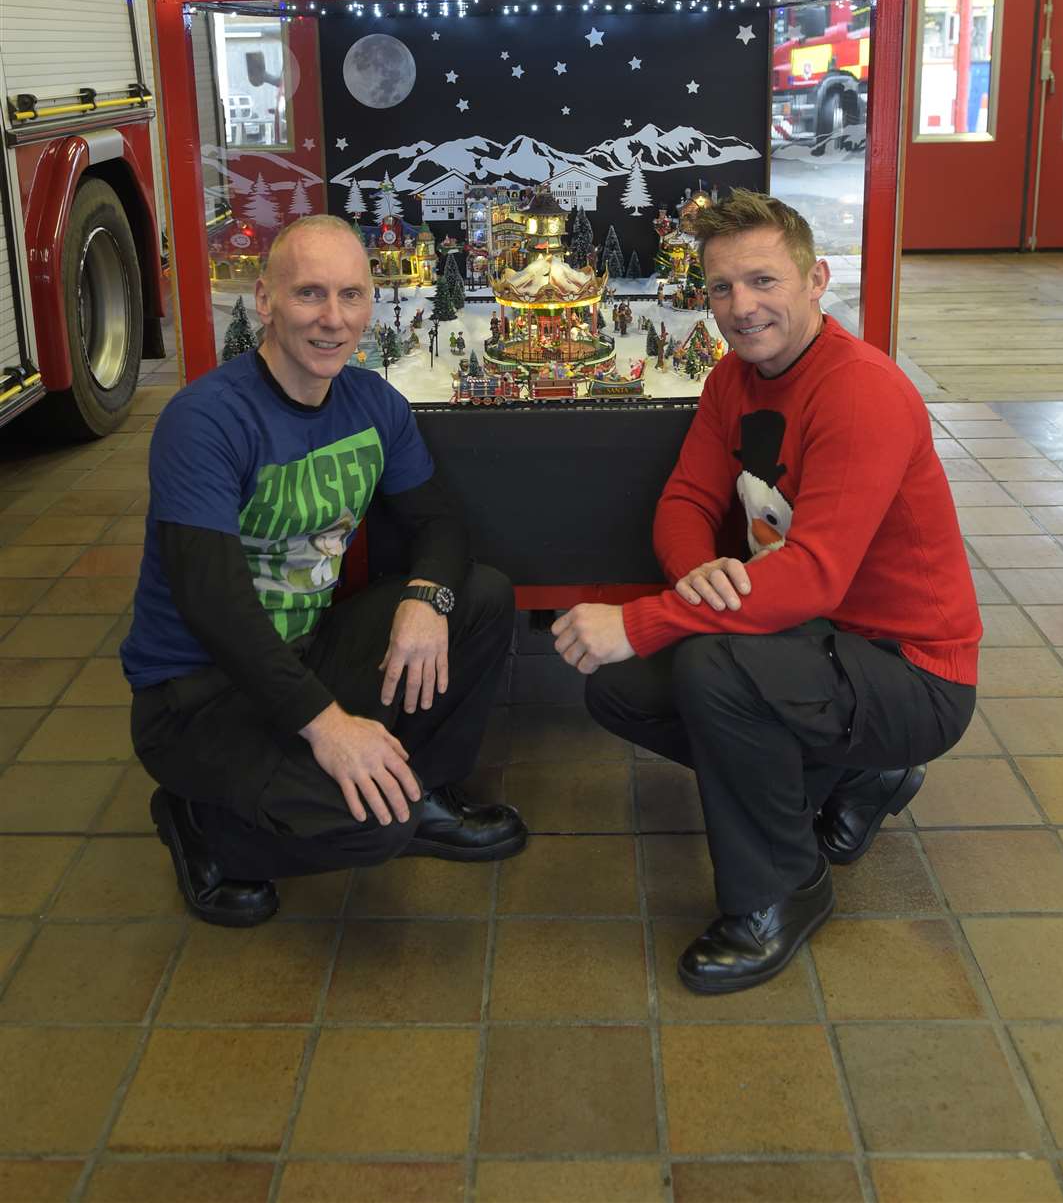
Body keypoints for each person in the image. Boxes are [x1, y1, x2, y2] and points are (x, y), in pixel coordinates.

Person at [553, 188, 978, 995]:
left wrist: (645, 620)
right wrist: (693, 573)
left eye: (763, 281)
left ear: (815, 279)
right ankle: (858, 775)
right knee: (622, 687)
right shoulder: (734, 380)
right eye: (721, 288)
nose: (741, 307)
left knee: (712, 668)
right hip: (812, 639)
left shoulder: (862, 392)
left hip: (914, 670)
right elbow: (685, 502)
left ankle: (780, 890)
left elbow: (814, 573)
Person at [122, 215, 525, 929]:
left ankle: (425, 785)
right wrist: (325, 724)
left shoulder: (373, 403)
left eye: (351, 294)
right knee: (375, 827)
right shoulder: (206, 420)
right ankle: (198, 823)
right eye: (309, 294)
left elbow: (441, 522)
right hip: (198, 694)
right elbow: (211, 601)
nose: (333, 319)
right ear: (266, 301)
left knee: (481, 595)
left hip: (303, 653)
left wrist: (426, 600)